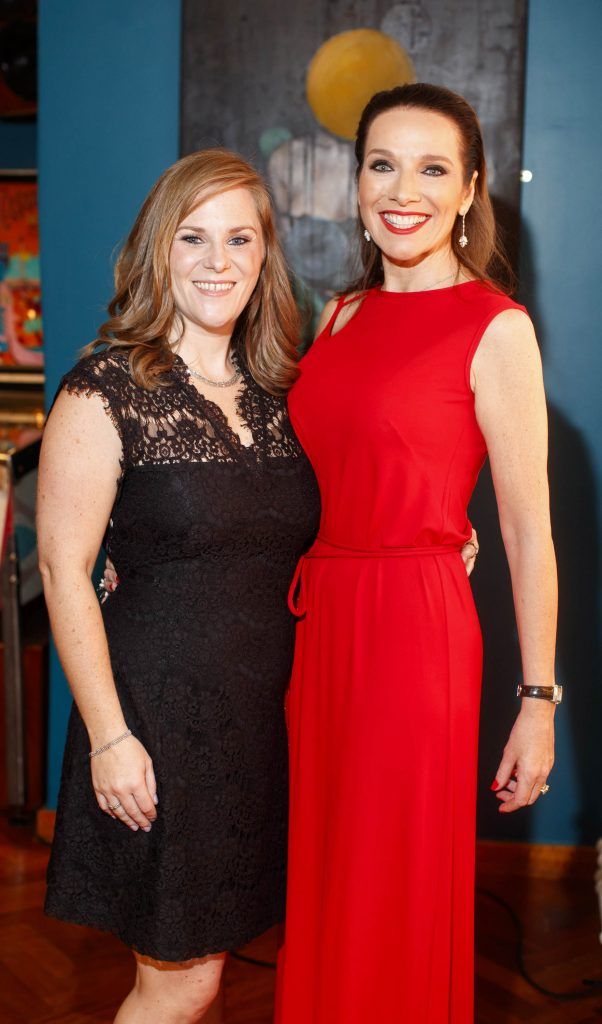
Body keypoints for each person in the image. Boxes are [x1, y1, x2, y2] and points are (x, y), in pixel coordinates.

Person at [275, 84, 559, 1024]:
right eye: (383, 164)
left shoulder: (496, 326)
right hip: (322, 631)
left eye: (434, 168)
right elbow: (307, 478)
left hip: (412, 634)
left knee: (391, 887)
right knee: (324, 875)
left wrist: (539, 702)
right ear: (357, 180)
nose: (405, 190)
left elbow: (526, 531)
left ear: (471, 189)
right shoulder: (337, 318)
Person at [37, 149, 322, 1024]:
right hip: (154, 724)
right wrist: (111, 737)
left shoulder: (285, 390)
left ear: (265, 256)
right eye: (193, 237)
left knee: (216, 966)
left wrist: (443, 533)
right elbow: (64, 570)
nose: (217, 260)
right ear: (159, 249)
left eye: (240, 238)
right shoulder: (105, 389)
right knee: (182, 979)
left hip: (260, 729)